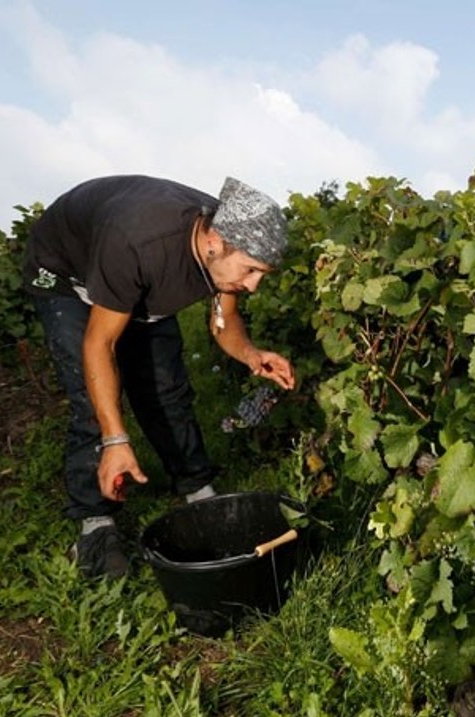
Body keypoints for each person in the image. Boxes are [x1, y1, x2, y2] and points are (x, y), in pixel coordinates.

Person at [23, 175, 296, 579]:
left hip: (140, 281)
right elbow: (99, 346)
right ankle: (96, 524)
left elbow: (225, 321)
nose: (253, 285)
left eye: (263, 275)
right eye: (251, 270)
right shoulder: (138, 241)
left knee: (166, 390)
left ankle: (198, 491)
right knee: (91, 399)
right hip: (67, 276)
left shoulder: (227, 238)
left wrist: (251, 354)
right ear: (214, 243)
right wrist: (116, 439)